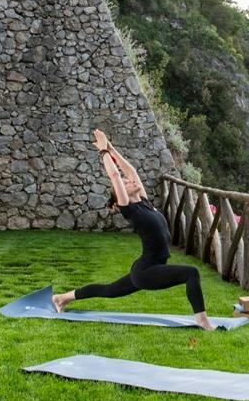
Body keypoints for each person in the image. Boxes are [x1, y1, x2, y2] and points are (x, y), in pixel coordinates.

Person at [53, 130, 215, 330]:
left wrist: (111, 148)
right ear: (123, 194)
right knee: (192, 273)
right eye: (126, 184)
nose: (131, 181)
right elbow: (114, 175)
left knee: (109, 290)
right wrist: (103, 151)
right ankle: (203, 321)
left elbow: (132, 172)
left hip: (145, 268)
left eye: (129, 181)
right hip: (146, 271)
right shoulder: (130, 210)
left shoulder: (145, 203)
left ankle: (62, 298)